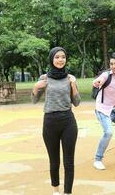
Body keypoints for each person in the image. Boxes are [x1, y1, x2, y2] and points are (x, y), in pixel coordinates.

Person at [32, 47, 81, 195]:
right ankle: (56, 191)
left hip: (68, 121)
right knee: (54, 162)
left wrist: (73, 85)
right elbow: (34, 100)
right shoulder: (44, 78)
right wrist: (35, 87)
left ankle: (68, 193)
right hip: (50, 122)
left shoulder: (70, 78)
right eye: (57, 57)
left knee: (69, 162)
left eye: (63, 57)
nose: (60, 60)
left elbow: (77, 102)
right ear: (52, 59)